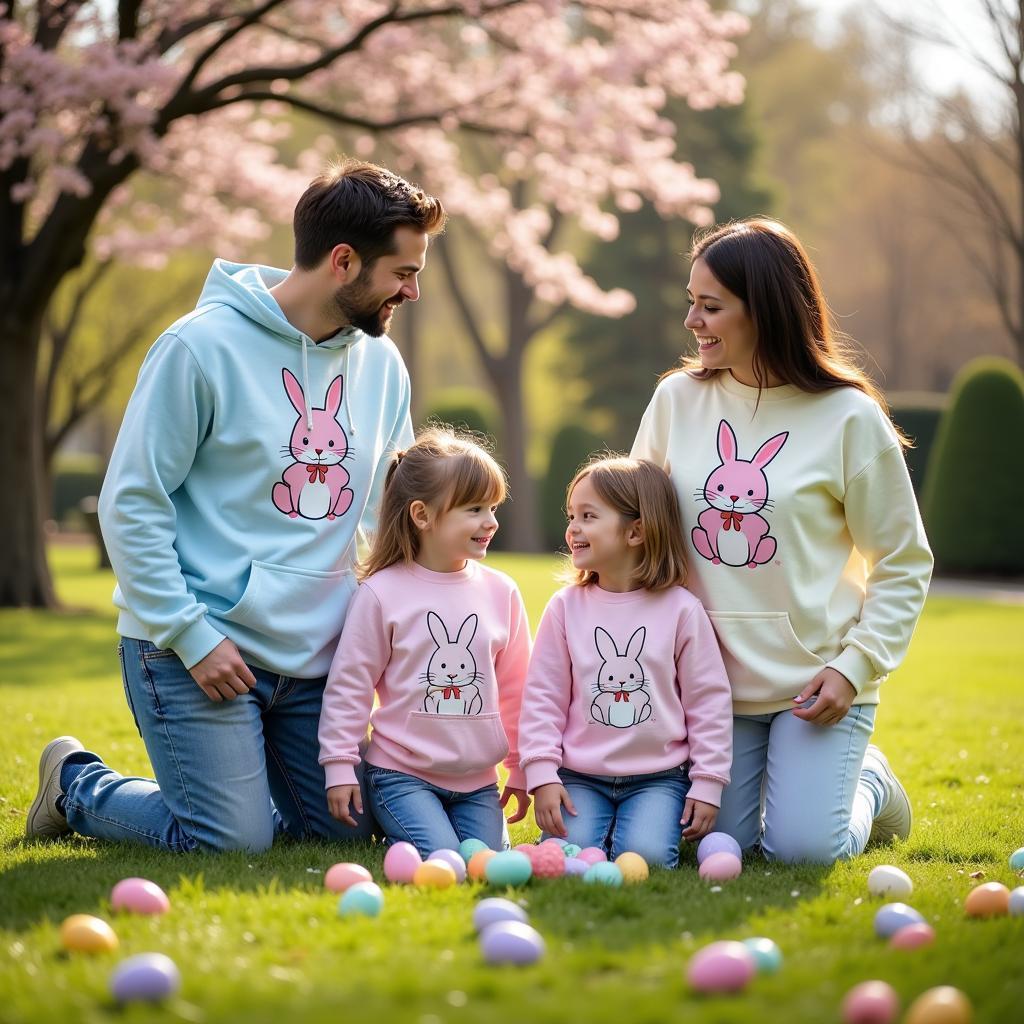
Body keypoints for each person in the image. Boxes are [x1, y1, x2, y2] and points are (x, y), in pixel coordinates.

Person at [26, 159, 446, 853]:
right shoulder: (199, 346)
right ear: (344, 261)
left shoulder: (382, 366)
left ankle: (239, 794)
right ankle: (77, 783)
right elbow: (132, 503)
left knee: (349, 831)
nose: (415, 291)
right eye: (403, 273)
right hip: (199, 646)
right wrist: (191, 634)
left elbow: (390, 511)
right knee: (229, 843)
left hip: (317, 658)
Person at [631, 217, 933, 864]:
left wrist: (854, 669)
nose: (692, 321)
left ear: (764, 309)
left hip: (815, 686)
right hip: (710, 689)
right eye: (691, 302)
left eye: (710, 307)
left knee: (802, 852)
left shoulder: (849, 416)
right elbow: (639, 536)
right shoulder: (675, 402)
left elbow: (903, 561)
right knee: (717, 847)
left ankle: (872, 782)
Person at [317, 426, 531, 858]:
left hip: (477, 782)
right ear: (422, 515)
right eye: (473, 509)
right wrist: (340, 765)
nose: (490, 522)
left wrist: (521, 768)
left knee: (486, 861)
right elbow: (351, 685)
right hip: (401, 774)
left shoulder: (501, 591)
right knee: (443, 857)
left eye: (492, 507)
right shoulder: (382, 593)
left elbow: (518, 690)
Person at [517, 456, 732, 868]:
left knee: (646, 858)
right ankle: (606, 825)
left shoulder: (682, 611)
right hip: (579, 777)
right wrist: (543, 774)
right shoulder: (565, 608)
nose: (573, 528)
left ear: (635, 531)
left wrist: (707, 783)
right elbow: (542, 697)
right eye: (571, 516)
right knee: (569, 857)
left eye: (588, 516)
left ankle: (629, 828)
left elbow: (708, 702)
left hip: (659, 779)